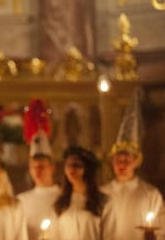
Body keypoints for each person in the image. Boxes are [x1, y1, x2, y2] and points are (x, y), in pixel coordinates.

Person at [101, 89, 164, 240]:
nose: (121, 165)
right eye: (118, 160)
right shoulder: (102, 192)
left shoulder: (150, 194)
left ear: (136, 162)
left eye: (126, 161)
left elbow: (161, 228)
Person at [18, 99, 60, 240]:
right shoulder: (21, 201)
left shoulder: (62, 197)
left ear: (52, 168)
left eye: (41, 166)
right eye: (33, 167)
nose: (37, 171)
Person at [54, 146, 110, 240]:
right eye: (68, 165)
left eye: (76, 165)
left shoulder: (102, 202)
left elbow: (109, 235)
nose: (72, 169)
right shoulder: (60, 203)